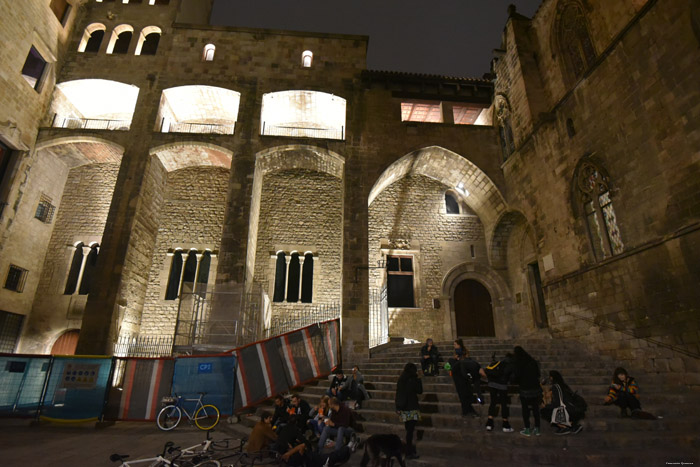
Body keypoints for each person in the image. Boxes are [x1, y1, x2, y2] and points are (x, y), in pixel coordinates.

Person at [481, 352, 515, 433]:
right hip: (502, 385)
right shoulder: (510, 365)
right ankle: (505, 424)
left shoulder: (500, 363)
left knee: (493, 402)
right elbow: (512, 378)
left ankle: (489, 423)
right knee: (503, 403)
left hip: (492, 384)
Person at [395, 362, 423, 460]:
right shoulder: (413, 379)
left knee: (408, 430)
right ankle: (409, 452)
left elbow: (398, 393)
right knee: (410, 431)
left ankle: (408, 450)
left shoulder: (401, 379)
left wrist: (397, 407)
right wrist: (419, 379)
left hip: (403, 408)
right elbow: (420, 390)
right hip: (412, 407)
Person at [513, 346, 542, 437]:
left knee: (525, 409)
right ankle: (537, 428)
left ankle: (527, 429)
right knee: (535, 409)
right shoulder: (532, 362)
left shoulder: (519, 363)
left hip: (525, 389)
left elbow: (516, 376)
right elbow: (538, 374)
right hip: (535, 388)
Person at [546, 370, 585, 435]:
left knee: (547, 411)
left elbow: (558, 402)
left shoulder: (555, 387)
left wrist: (547, 406)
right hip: (571, 406)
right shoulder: (562, 385)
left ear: (552, 377)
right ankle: (573, 426)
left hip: (567, 408)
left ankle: (565, 428)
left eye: (550, 377)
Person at [447, 340, 478, 417]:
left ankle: (469, 410)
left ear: (459, 345)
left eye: (455, 344)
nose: (454, 345)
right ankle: (466, 411)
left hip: (464, 374)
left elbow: (467, 360)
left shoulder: (464, 352)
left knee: (467, 393)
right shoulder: (455, 354)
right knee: (462, 394)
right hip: (458, 376)